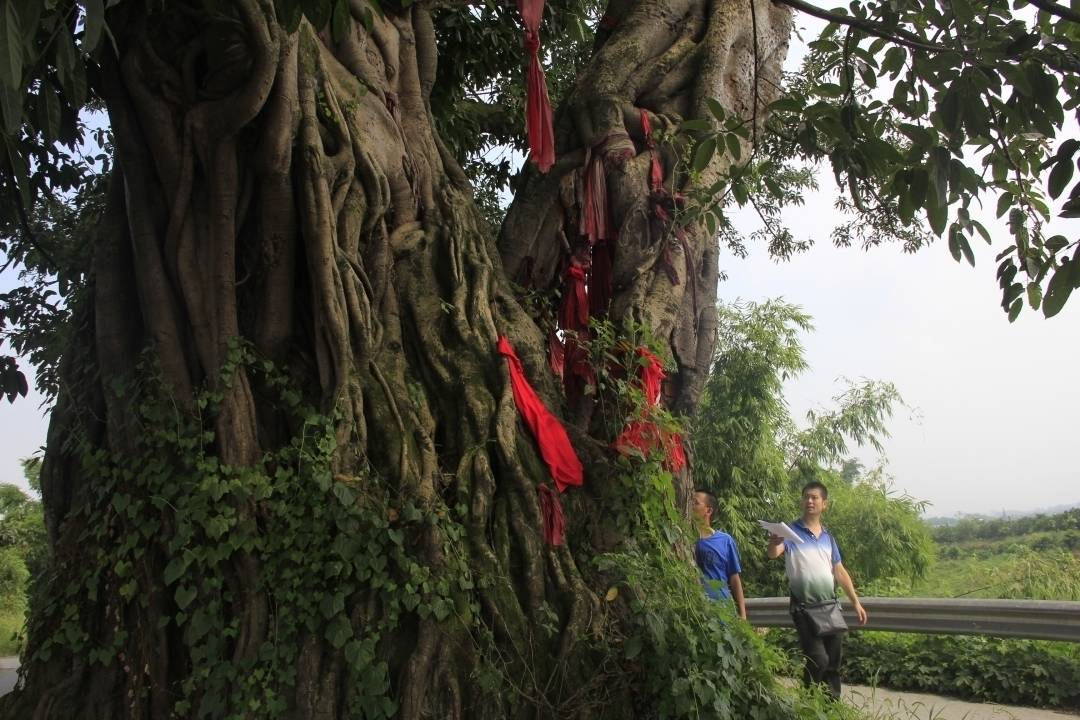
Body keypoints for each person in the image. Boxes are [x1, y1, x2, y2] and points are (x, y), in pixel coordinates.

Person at [766, 481, 868, 698]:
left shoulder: (828, 538)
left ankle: (831, 707)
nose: (809, 501)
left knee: (832, 663)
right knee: (818, 660)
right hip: (803, 608)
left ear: (825, 504)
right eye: (806, 497)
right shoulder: (791, 531)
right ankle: (808, 701)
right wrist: (774, 542)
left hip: (830, 606)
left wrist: (856, 602)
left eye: (814, 497)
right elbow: (774, 554)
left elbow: (839, 571)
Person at [692, 490, 747, 619]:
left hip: (723, 610)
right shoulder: (682, 539)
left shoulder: (725, 541)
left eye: (695, 503)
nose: (691, 506)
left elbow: (734, 579)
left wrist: (742, 615)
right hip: (694, 610)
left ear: (708, 511)